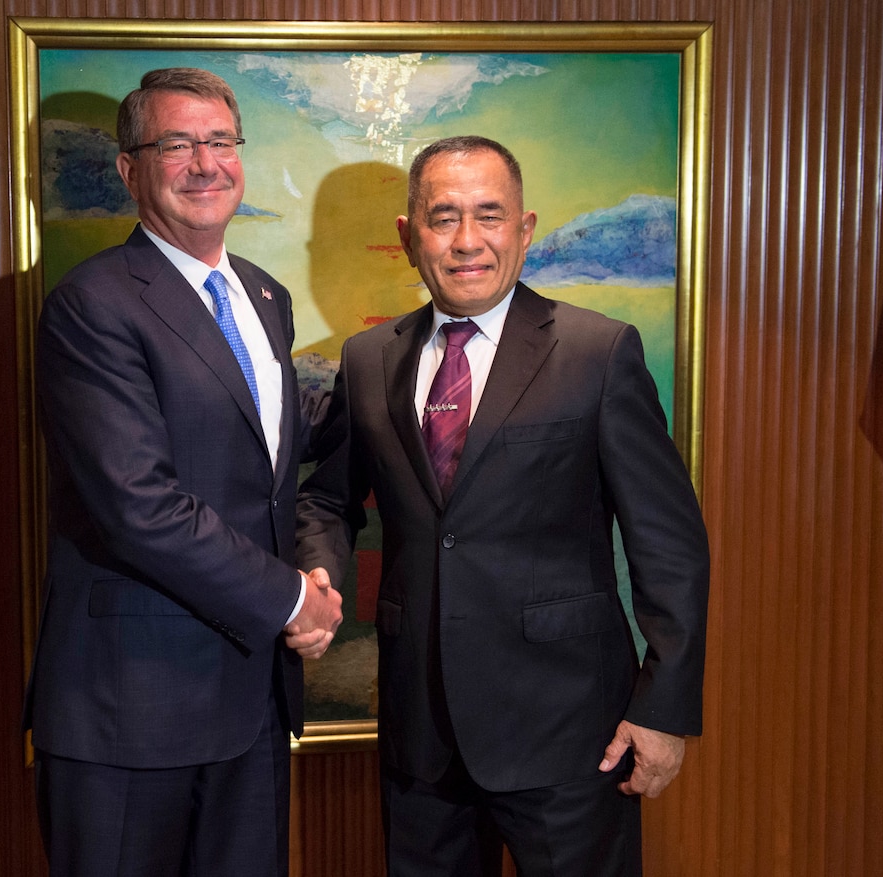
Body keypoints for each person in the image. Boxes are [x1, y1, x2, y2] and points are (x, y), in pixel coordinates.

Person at [296, 135, 710, 876]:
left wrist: (664, 705)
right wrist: (319, 577)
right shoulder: (368, 360)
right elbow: (327, 499)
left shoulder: (599, 351)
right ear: (407, 235)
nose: (467, 241)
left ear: (524, 229)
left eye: (490, 216)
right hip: (421, 734)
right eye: (443, 216)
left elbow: (669, 544)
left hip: (571, 735)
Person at [23, 67, 342, 877]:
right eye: (177, 144)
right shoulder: (92, 303)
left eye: (221, 141)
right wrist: (292, 600)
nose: (205, 163)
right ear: (130, 168)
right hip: (132, 711)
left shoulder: (264, 296)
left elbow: (273, 468)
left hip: (252, 703)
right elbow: (140, 505)